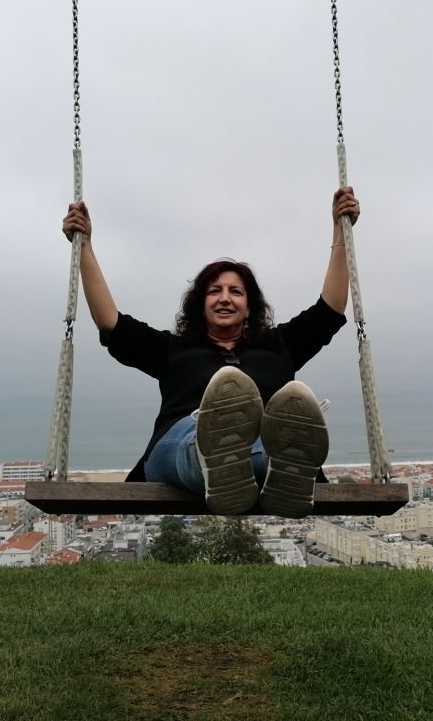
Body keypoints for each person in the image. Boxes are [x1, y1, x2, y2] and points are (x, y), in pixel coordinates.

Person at [61, 187, 360, 518]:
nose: (225, 298)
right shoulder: (172, 349)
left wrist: (340, 230)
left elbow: (330, 310)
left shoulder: (279, 344)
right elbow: (110, 323)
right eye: (214, 291)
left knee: (269, 441)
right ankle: (229, 460)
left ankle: (269, 466)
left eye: (236, 292)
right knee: (200, 444)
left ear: (250, 307)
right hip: (183, 440)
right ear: (200, 305)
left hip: (262, 442)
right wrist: (85, 246)